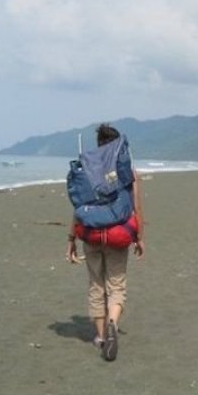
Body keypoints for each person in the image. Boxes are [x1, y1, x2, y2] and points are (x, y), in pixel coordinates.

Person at [66, 123, 145, 362]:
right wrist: (139, 237)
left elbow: (79, 207)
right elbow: (136, 206)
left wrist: (70, 239)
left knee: (96, 285)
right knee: (116, 285)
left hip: (91, 234)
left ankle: (100, 337)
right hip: (118, 234)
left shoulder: (88, 168)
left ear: (99, 144)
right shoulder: (126, 170)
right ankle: (113, 323)